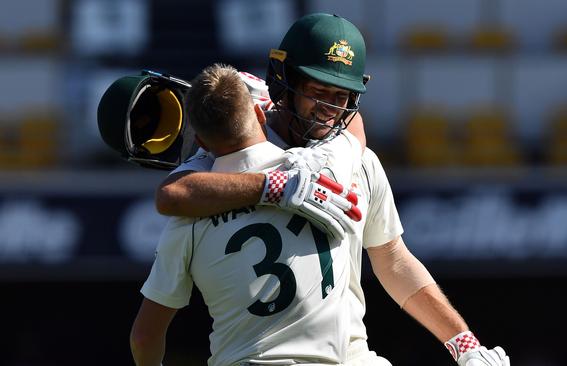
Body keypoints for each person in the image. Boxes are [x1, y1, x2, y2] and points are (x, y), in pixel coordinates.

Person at [148, 13, 509, 366]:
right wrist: (276, 185)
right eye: (318, 91)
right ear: (283, 82)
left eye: (341, 96)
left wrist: (464, 344)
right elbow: (173, 193)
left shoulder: (357, 158)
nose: (329, 109)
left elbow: (393, 260)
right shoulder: (231, 153)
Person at [130, 63, 366, 365]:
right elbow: (352, 125)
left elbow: (143, 337)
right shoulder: (319, 168)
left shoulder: (187, 219)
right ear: (258, 114)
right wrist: (278, 100)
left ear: (201, 142)